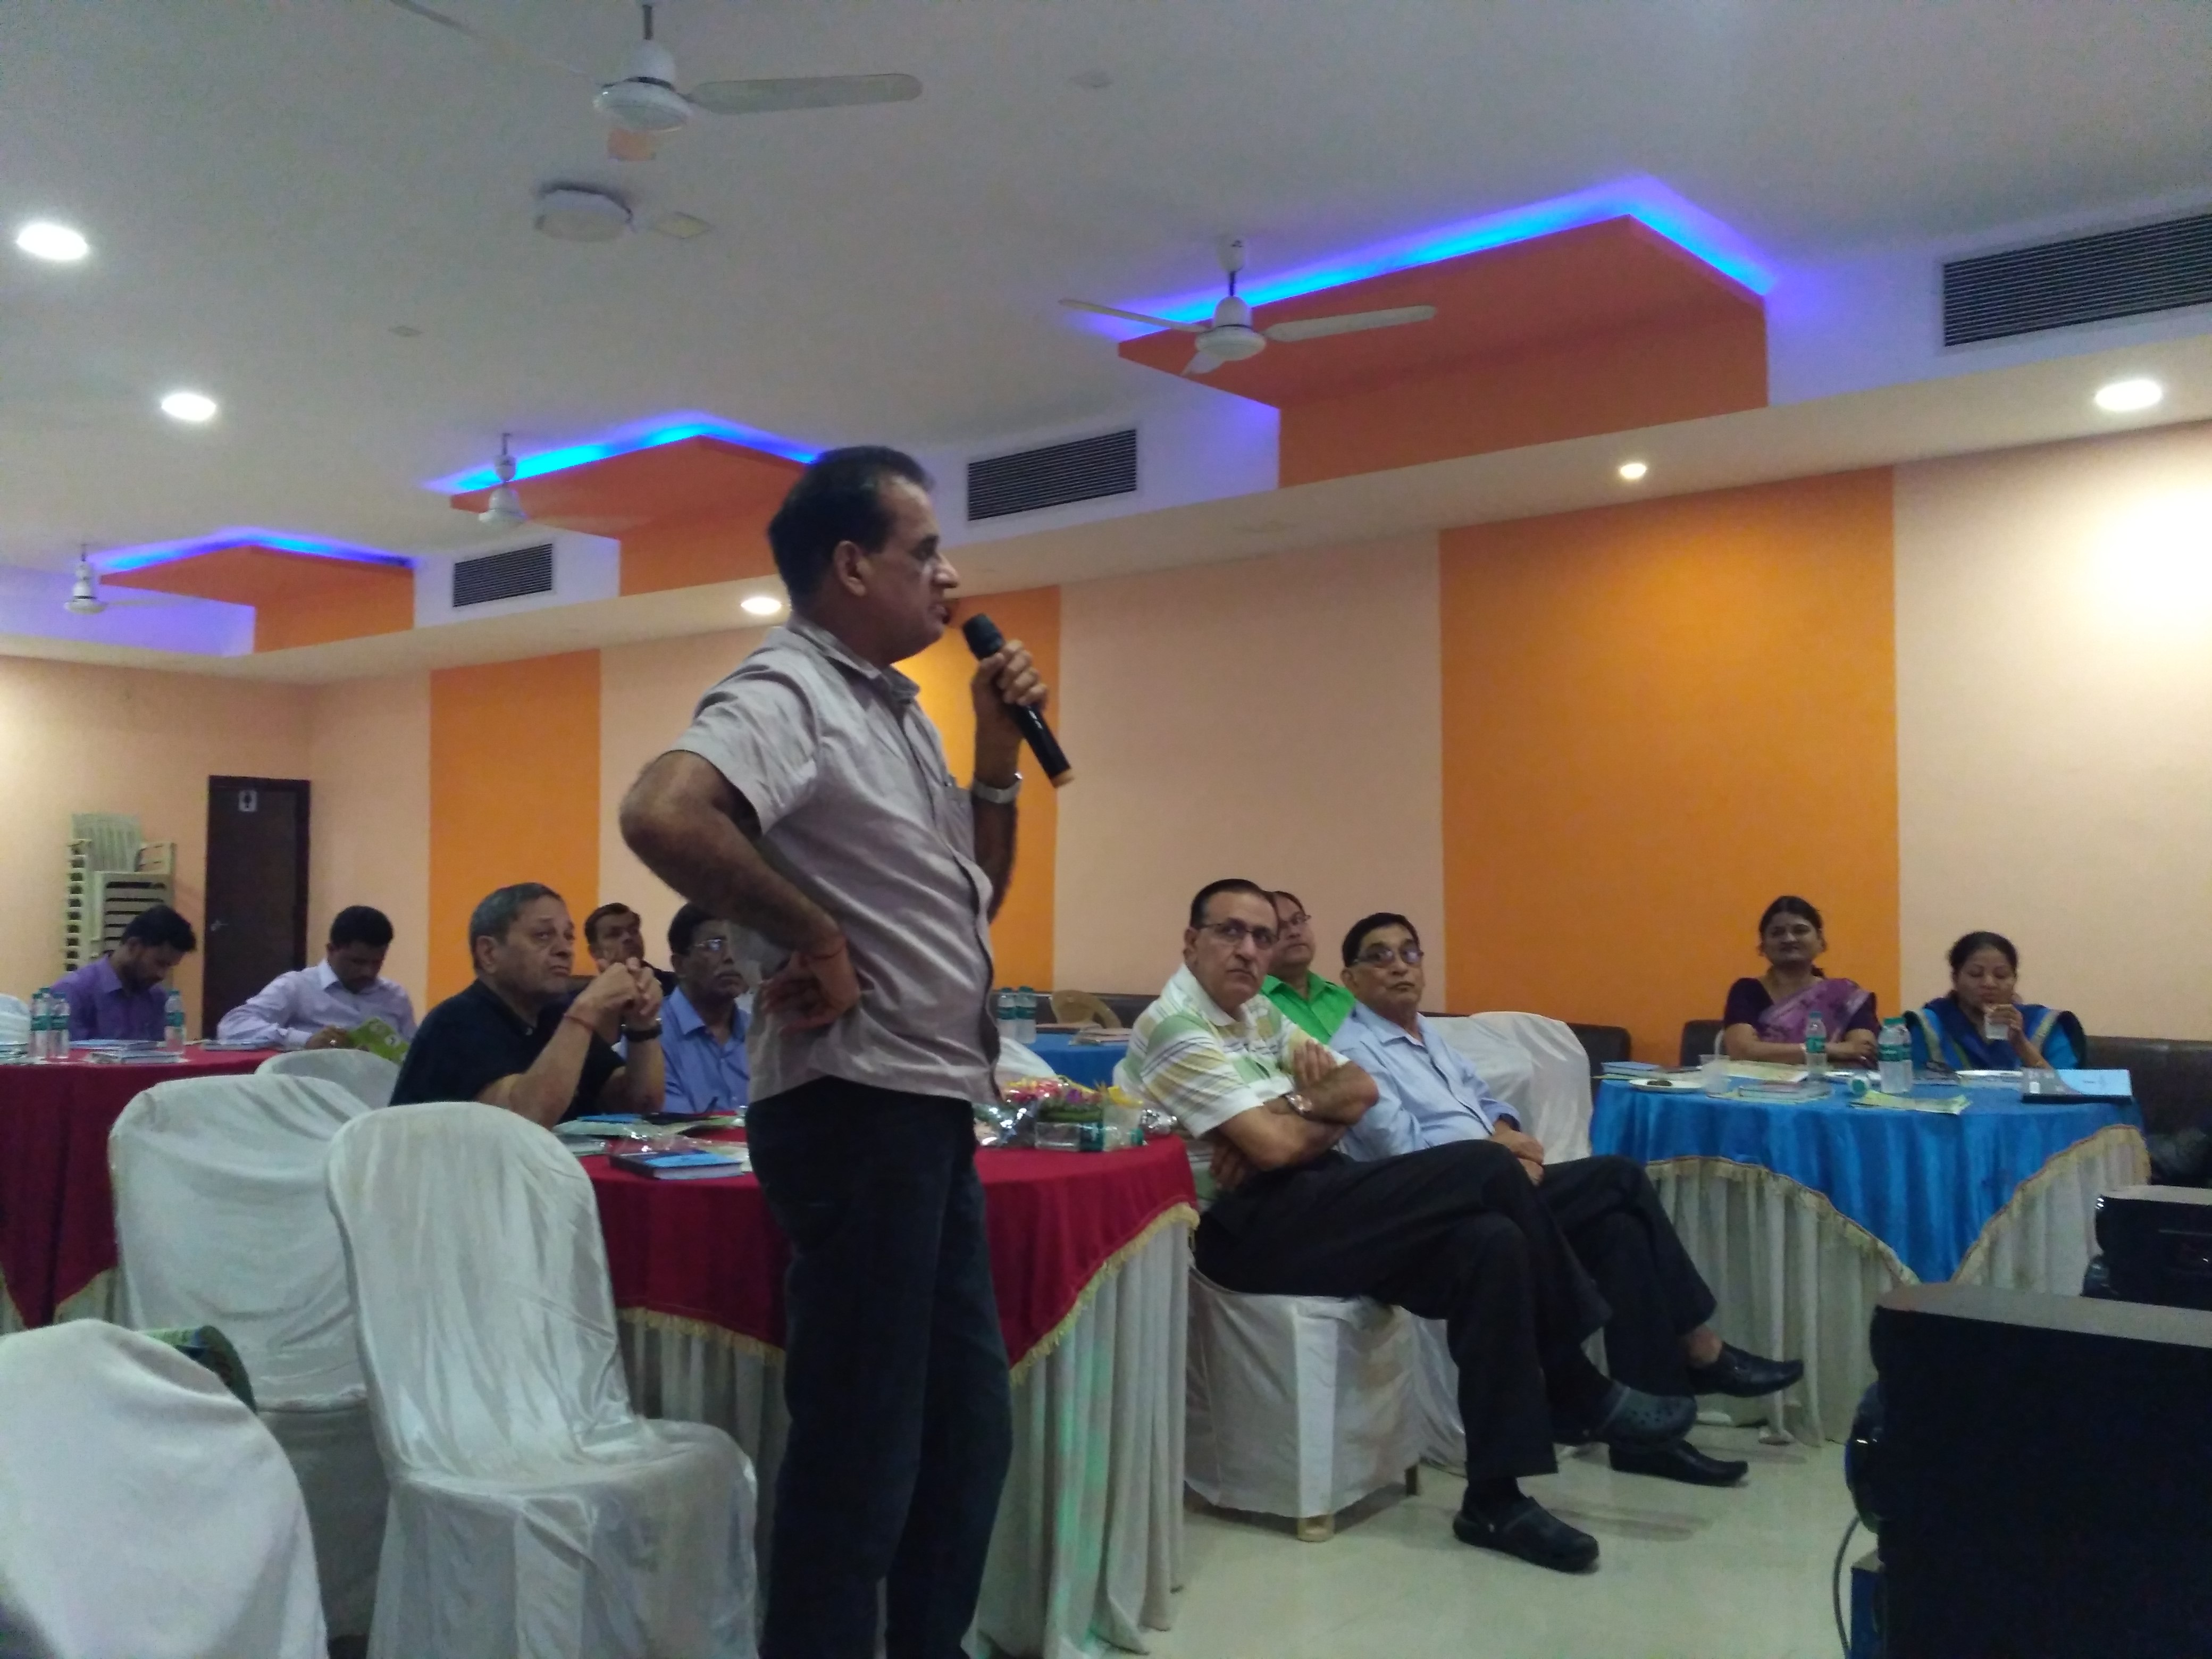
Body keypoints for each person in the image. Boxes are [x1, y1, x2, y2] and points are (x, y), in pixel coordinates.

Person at [618, 446, 1044, 1658]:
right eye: (925, 552)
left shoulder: (891, 710)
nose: (950, 577)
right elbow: (662, 811)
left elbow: (974, 902)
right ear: (851, 565)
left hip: (924, 1106)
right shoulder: (792, 688)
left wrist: (996, 754)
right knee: (863, 1450)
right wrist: (812, 933)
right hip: (853, 1109)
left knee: (963, 1434)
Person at [1122, 878, 1704, 1575]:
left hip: (1313, 1200)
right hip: (1242, 1232)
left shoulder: (1256, 1016)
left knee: (1492, 1243)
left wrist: (1286, 1108)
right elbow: (1273, 1151)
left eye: (1262, 936)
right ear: (1191, 942)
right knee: (1486, 1167)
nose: (1249, 950)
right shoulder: (1176, 1027)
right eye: (1230, 932)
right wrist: (1298, 1117)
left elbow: (1358, 1090)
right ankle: (1575, 1381)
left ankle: (1495, 1499)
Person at [1331, 911, 1802, 1489]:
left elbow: (1485, 1100)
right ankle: (1699, 1348)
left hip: (1499, 1178)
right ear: (1350, 979)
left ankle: (1649, 1444)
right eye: (1379, 956)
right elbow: (1405, 1152)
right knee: (1619, 1178)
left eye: (1409, 953)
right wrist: (1500, 1153)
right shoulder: (1352, 1053)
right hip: (1445, 1205)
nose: (1399, 967)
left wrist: (1508, 1136)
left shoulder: (1427, 1034)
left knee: (1619, 1232)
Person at [389, 883, 663, 1124]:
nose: (565, 950)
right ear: (489, 953)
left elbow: (638, 1105)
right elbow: (524, 1121)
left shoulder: (553, 1016)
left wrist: (642, 1024)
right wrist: (586, 1010)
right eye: (543, 935)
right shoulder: (456, 1022)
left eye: (568, 937)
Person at [214, 905, 417, 1051]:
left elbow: (414, 1053)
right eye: (357, 962)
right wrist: (304, 1040)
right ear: (331, 950)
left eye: (377, 963)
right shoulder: (297, 987)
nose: (368, 972)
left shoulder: (395, 996)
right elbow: (232, 1026)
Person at [1721, 895, 1880, 1065]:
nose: (1789, 939)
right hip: (1759, 1082)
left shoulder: (1846, 996)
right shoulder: (1747, 991)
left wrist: (1771, 1052)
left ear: (1820, 940)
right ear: (1763, 945)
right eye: (1777, 933)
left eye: (1800, 930)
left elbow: (1863, 1050)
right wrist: (1831, 1050)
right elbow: (1742, 1050)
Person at [1907, 931, 2082, 1072]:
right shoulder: (1929, 1026)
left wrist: (2021, 1045)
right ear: (1955, 979)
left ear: (2014, 980)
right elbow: (1915, 1090)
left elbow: (2068, 1091)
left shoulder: (2044, 1025)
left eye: (2001, 975)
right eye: (1976, 974)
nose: (1989, 984)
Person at [50, 903, 197, 1042]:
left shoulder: (156, 998)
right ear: (133, 945)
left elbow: (162, 1055)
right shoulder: (73, 993)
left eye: (169, 967)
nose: (162, 975)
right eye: (159, 963)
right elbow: (68, 1057)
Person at [659, 902, 751, 1115]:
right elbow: (671, 1128)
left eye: (738, 944)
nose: (731, 957)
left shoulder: (759, 1031)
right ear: (680, 965)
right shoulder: (653, 1036)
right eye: (715, 945)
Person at [1261, 889, 1354, 1042]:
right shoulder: (1250, 1006)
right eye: (1278, 926)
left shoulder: (1346, 998)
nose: (1294, 932)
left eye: (1298, 921)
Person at [581, 902, 679, 995]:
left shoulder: (677, 985)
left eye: (633, 930)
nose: (628, 937)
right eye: (615, 934)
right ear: (595, 952)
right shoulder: (584, 1000)